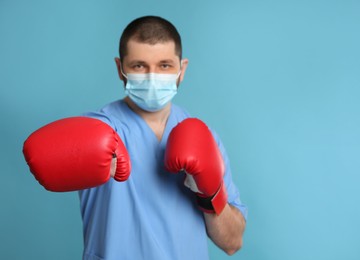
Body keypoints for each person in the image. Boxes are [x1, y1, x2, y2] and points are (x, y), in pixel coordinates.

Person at [23, 15, 247, 260]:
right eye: (139, 66)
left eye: (164, 65)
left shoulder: (205, 138)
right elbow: (44, 155)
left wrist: (210, 195)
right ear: (121, 69)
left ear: (181, 70)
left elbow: (232, 243)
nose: (152, 77)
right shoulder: (95, 130)